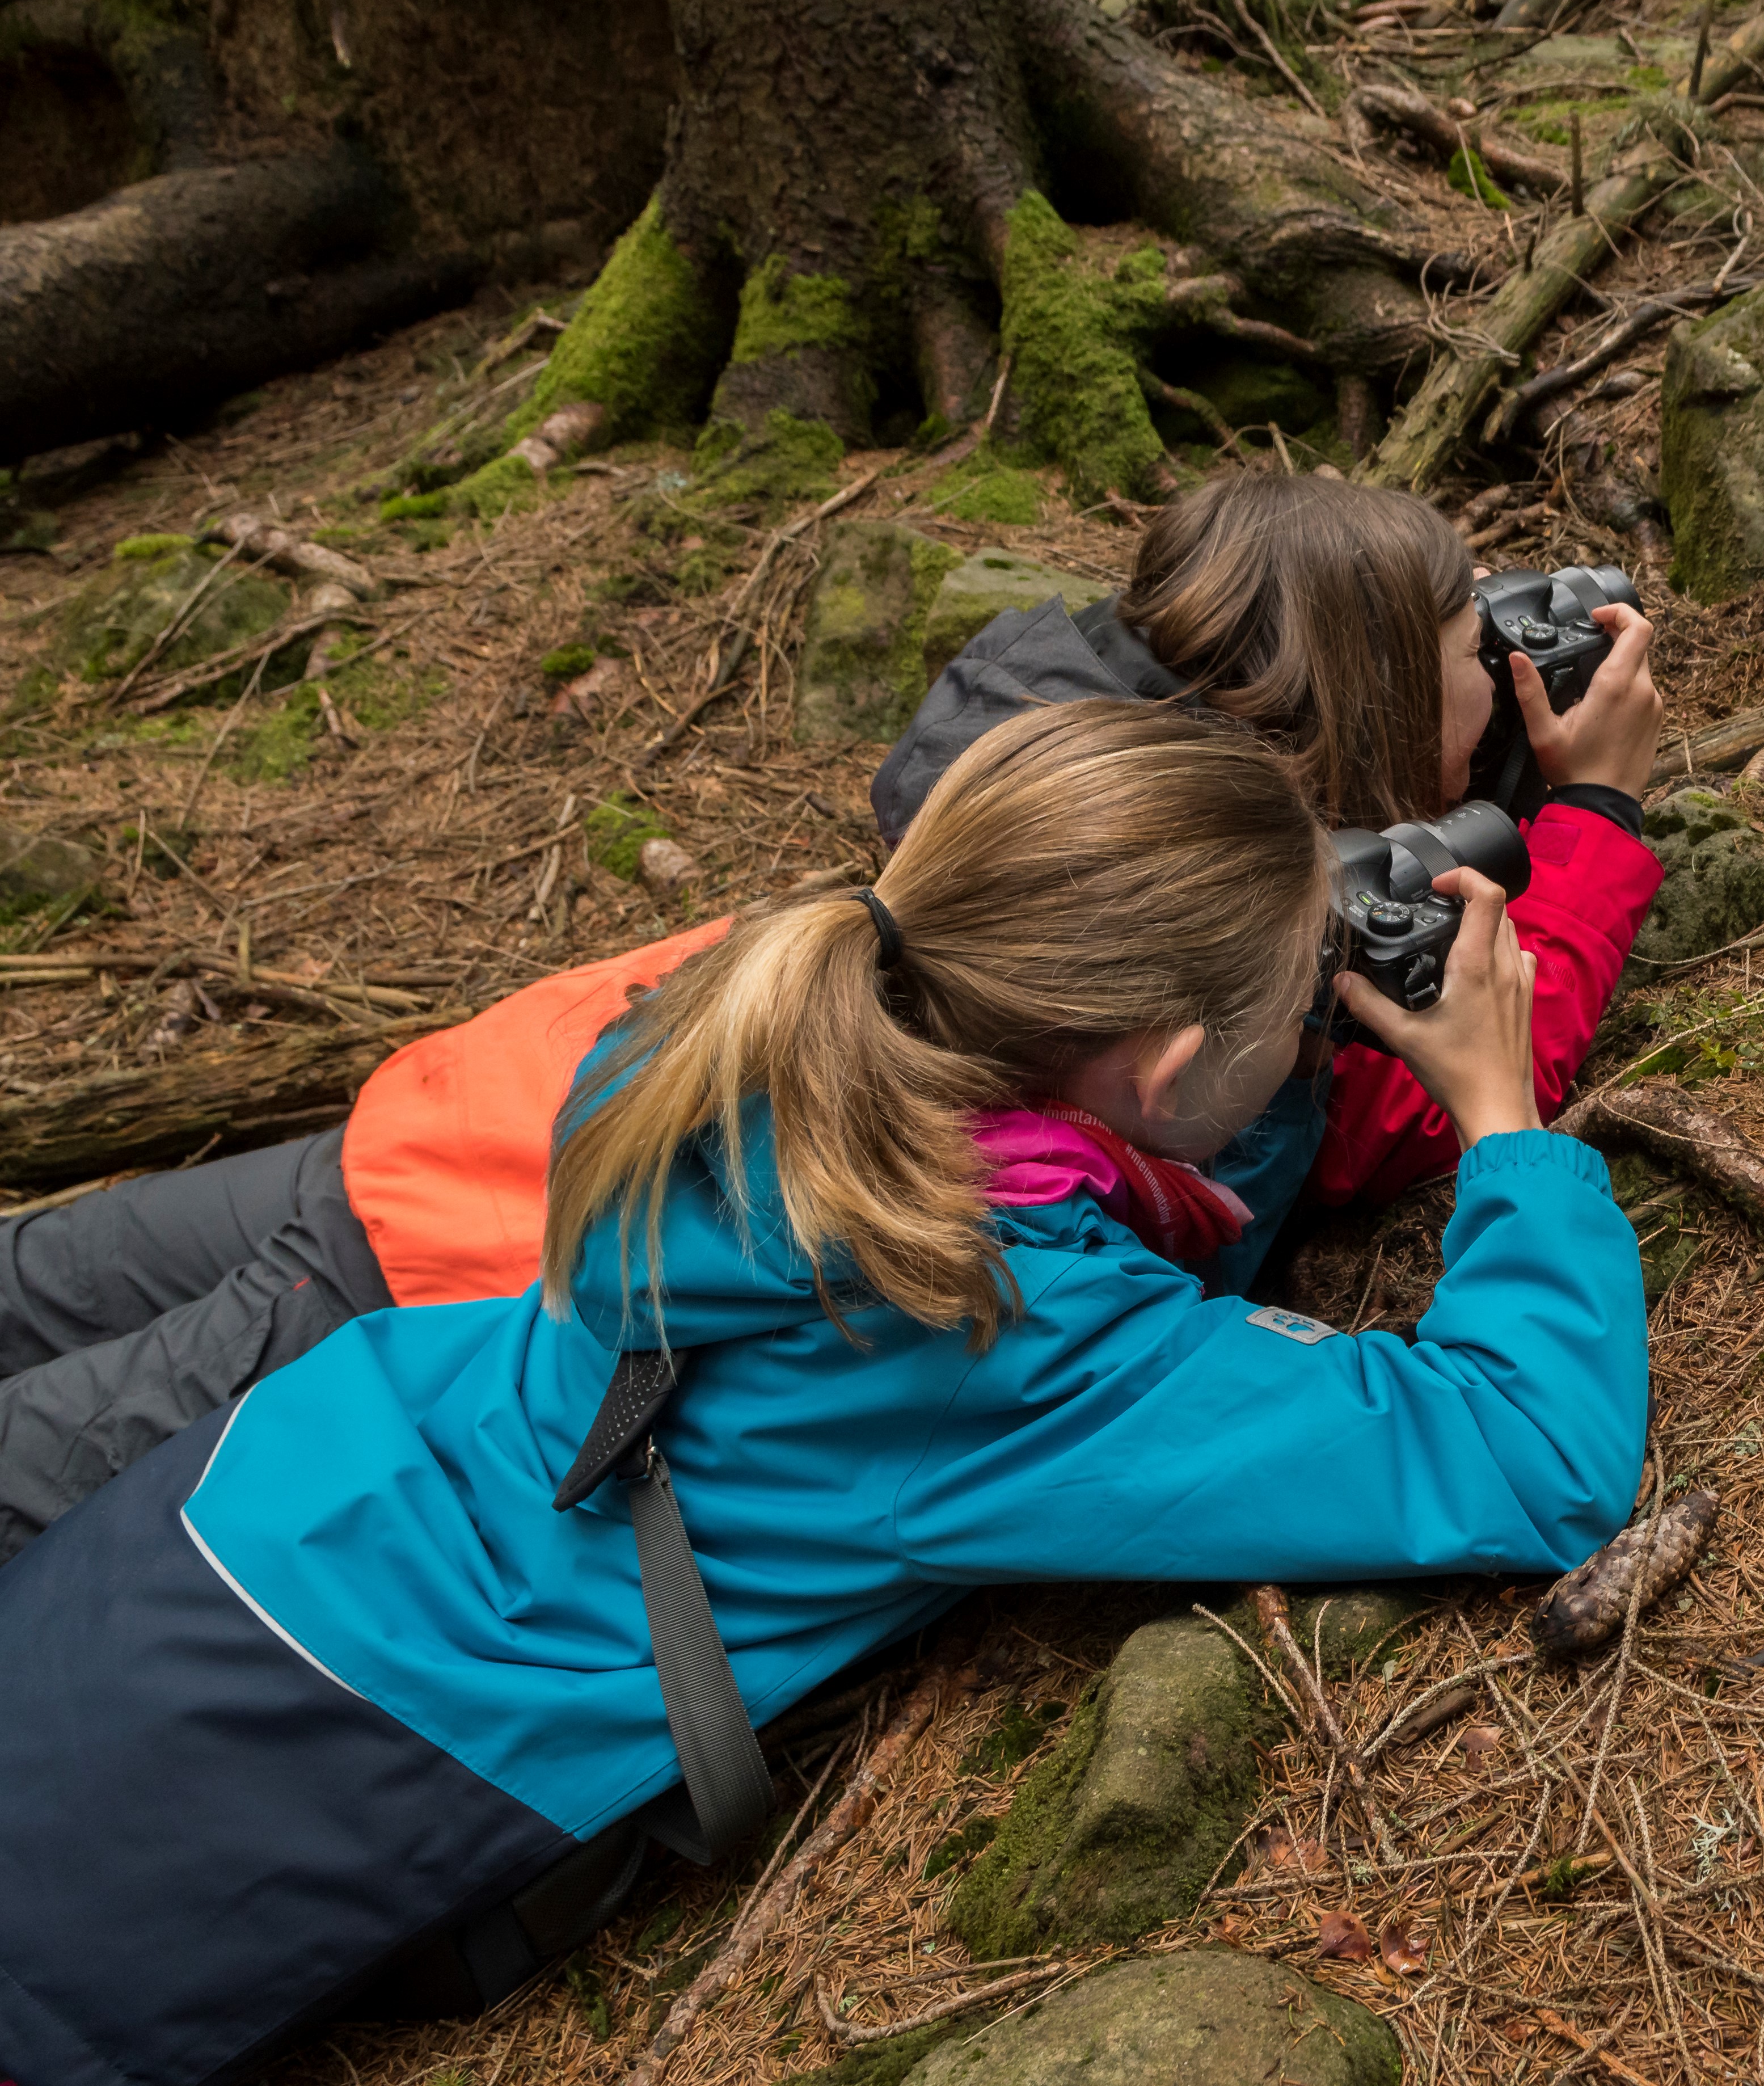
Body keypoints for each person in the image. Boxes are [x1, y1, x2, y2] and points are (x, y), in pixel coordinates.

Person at [0, 702, 1651, 2082]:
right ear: (1159, 1072)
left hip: (233, 1514)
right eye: (1301, 1013)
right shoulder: (1000, 1323)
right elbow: (1526, 1453)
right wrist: (1504, 1125)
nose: (1314, 1039)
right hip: (323, 1740)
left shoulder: (743, 1034)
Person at [0, 473, 1667, 1561]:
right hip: (468, 1264)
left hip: (498, 1096)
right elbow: (1385, 1125)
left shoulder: (1054, 761)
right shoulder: (1200, 955)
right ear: (1371, 696)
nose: (1502, 666)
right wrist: (1587, 825)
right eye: (1472, 646)